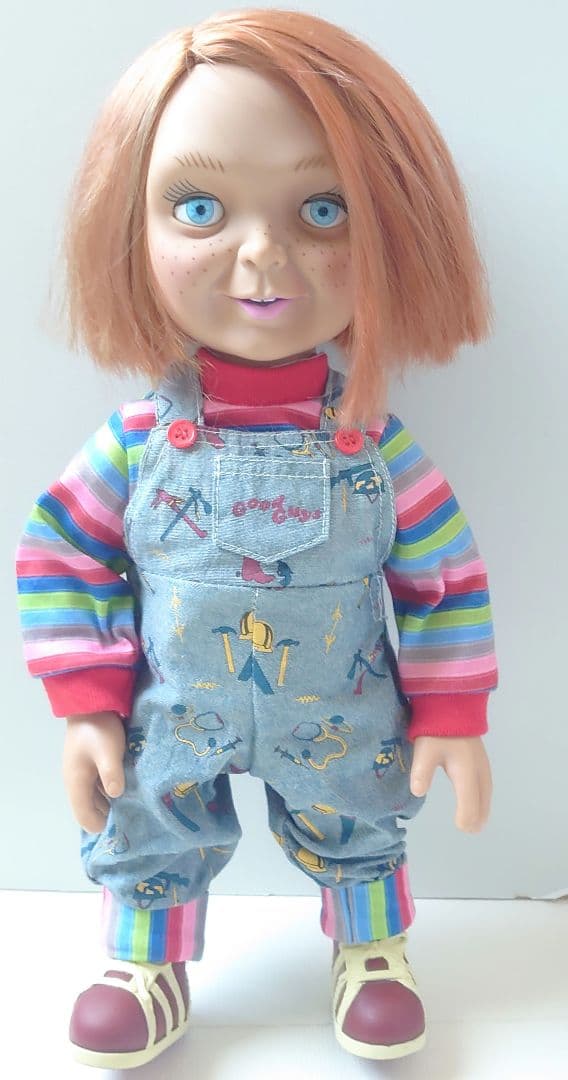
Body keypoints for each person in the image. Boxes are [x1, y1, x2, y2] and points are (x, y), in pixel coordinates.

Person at [16, 8, 497, 1068]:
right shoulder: (135, 442)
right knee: (145, 818)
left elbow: (442, 579)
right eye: (199, 208)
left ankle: (372, 948)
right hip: (169, 707)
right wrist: (85, 699)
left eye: (323, 210)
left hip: (339, 708)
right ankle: (145, 958)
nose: (263, 255)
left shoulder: (375, 444)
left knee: (361, 816)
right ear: (128, 225)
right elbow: (62, 554)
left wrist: (452, 711)